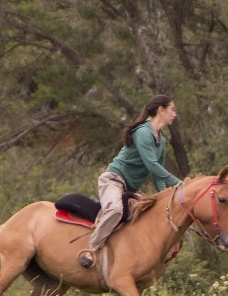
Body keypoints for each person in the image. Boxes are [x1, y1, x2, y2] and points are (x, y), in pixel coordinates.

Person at [78, 95, 182, 268]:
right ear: (161, 110)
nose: (174, 114)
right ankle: (91, 248)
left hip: (129, 189)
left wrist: (166, 199)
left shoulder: (161, 141)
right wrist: (178, 183)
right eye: (172, 109)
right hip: (113, 181)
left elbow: (157, 177)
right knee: (116, 209)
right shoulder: (143, 132)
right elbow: (151, 164)